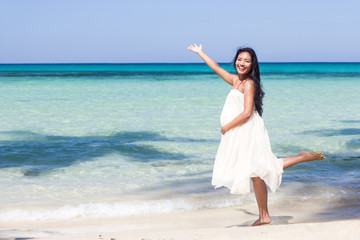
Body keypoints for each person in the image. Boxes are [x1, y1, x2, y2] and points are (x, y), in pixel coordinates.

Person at [187, 44, 325, 226]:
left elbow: (246, 113)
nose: (242, 63)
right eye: (239, 59)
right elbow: (217, 68)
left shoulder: (249, 84)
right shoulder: (236, 81)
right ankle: (264, 216)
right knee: (256, 173)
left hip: (248, 131)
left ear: (252, 65)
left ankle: (302, 158)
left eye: (247, 61)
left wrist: (225, 127)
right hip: (241, 132)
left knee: (260, 168)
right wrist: (201, 53)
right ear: (235, 60)